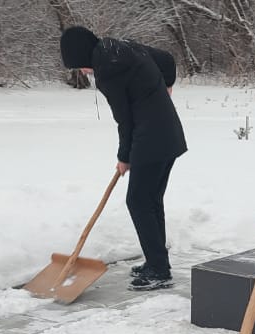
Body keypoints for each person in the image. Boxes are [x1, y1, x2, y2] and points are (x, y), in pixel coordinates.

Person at [59, 26, 186, 290]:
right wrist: (166, 86)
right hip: (169, 133)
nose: (83, 72)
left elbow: (124, 119)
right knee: (150, 200)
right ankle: (156, 262)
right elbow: (166, 60)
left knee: (138, 202)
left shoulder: (107, 72)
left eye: (79, 66)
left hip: (149, 140)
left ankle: (159, 271)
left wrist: (124, 156)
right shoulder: (123, 46)